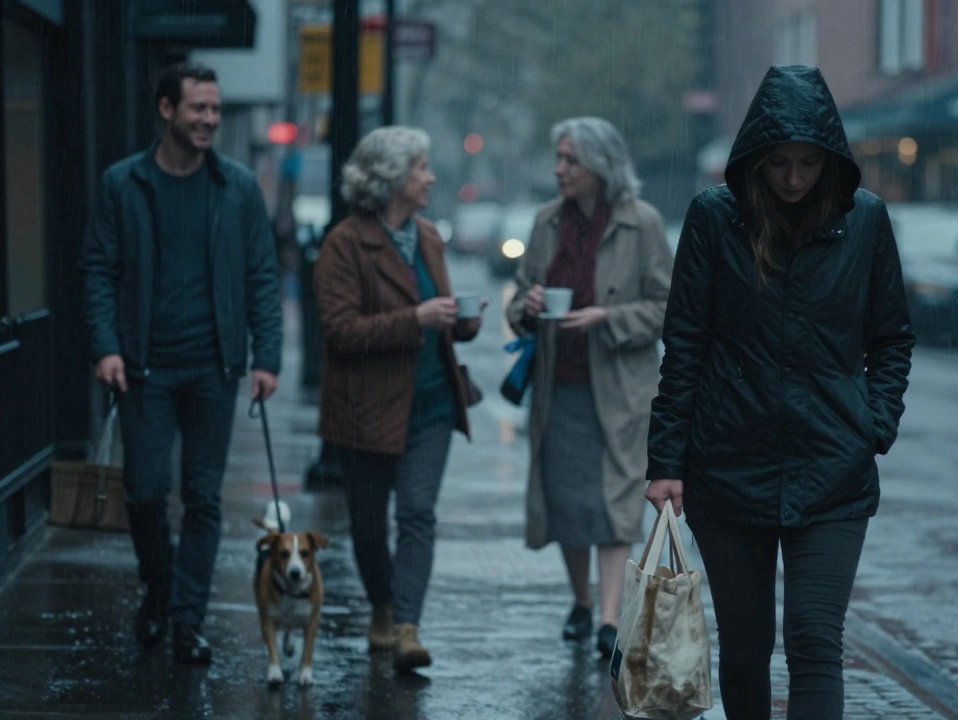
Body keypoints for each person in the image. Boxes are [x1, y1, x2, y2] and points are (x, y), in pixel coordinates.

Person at [646, 65, 914, 719]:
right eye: (780, 164)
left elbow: (892, 339)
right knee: (745, 648)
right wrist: (666, 463)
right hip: (729, 466)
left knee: (816, 640)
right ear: (755, 160)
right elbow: (684, 346)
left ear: (831, 160)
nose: (794, 179)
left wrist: (871, 424)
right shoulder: (716, 219)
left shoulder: (865, 221)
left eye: (808, 163)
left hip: (834, 470)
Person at [80, 63, 283, 664]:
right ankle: (160, 584)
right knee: (144, 491)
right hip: (144, 366)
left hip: (213, 367)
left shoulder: (237, 187)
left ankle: (188, 621)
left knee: (203, 498)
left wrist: (265, 356)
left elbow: (261, 276)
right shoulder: (124, 183)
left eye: (216, 110)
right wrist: (106, 344)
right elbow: (97, 268)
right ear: (166, 109)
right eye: (198, 109)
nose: (209, 120)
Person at [313, 126, 483, 673]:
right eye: (420, 169)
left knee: (417, 513)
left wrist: (462, 321)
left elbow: (440, 317)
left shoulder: (428, 235)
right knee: (367, 523)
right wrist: (416, 319)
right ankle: (382, 605)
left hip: (431, 403)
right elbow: (340, 330)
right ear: (389, 179)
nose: (431, 177)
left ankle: (408, 624)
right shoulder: (344, 244)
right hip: (366, 407)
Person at [505, 117, 672, 659]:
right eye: (558, 158)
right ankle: (581, 600)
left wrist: (608, 317)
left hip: (621, 388)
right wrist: (526, 306)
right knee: (567, 500)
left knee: (615, 501)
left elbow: (667, 308)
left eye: (570, 160)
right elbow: (520, 293)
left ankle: (608, 617)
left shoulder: (641, 223)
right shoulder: (545, 222)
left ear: (600, 166)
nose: (559, 169)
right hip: (560, 386)